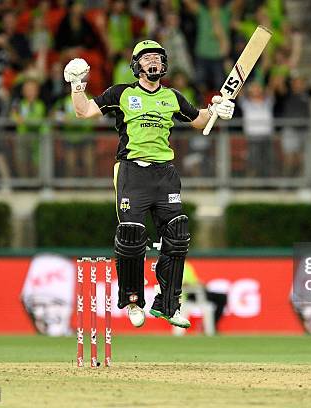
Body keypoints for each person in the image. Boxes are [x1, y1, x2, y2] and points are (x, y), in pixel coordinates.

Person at [63, 39, 234, 329]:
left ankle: (168, 304)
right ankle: (133, 300)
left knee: (178, 235)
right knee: (131, 235)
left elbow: (199, 120)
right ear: (137, 65)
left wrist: (217, 108)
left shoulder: (172, 97)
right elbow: (83, 112)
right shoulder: (121, 93)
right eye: (147, 58)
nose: (154, 61)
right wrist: (77, 84)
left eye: (157, 57)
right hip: (132, 172)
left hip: (164, 174)